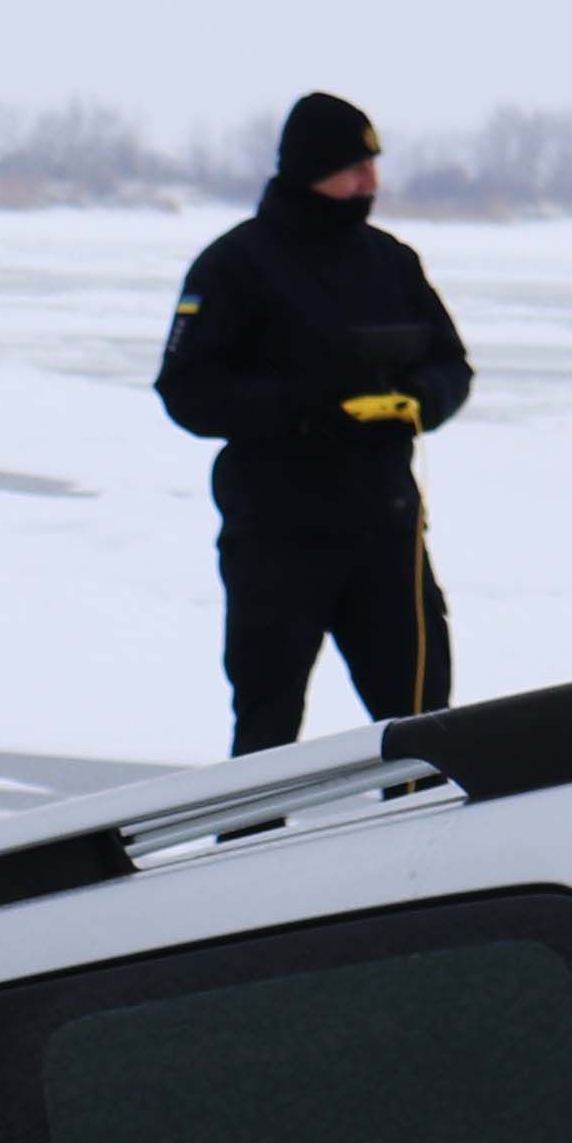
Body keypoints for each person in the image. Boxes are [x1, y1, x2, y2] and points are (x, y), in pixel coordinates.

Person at [155, 90, 472, 752]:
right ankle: (257, 823)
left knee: (424, 724)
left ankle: (424, 820)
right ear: (311, 168)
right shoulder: (234, 265)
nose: (371, 182)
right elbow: (187, 391)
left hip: (386, 534)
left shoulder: (391, 261)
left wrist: (419, 399)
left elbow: (452, 365)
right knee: (267, 729)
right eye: (355, 167)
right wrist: (305, 409)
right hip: (278, 537)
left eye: (374, 165)